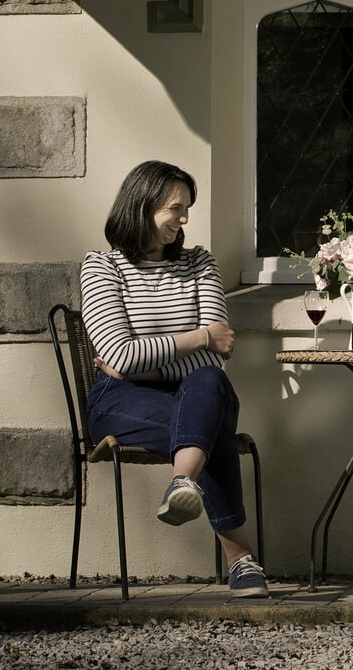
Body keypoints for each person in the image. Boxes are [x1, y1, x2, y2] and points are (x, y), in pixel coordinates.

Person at [80, 160, 268, 598]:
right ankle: (241, 562)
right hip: (119, 401)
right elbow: (123, 358)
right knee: (210, 423)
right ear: (142, 205)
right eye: (176, 208)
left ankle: (182, 481)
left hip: (194, 391)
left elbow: (216, 355)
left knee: (207, 383)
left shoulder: (198, 263)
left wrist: (140, 359)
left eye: (187, 209)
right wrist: (198, 336)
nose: (184, 219)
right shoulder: (101, 268)